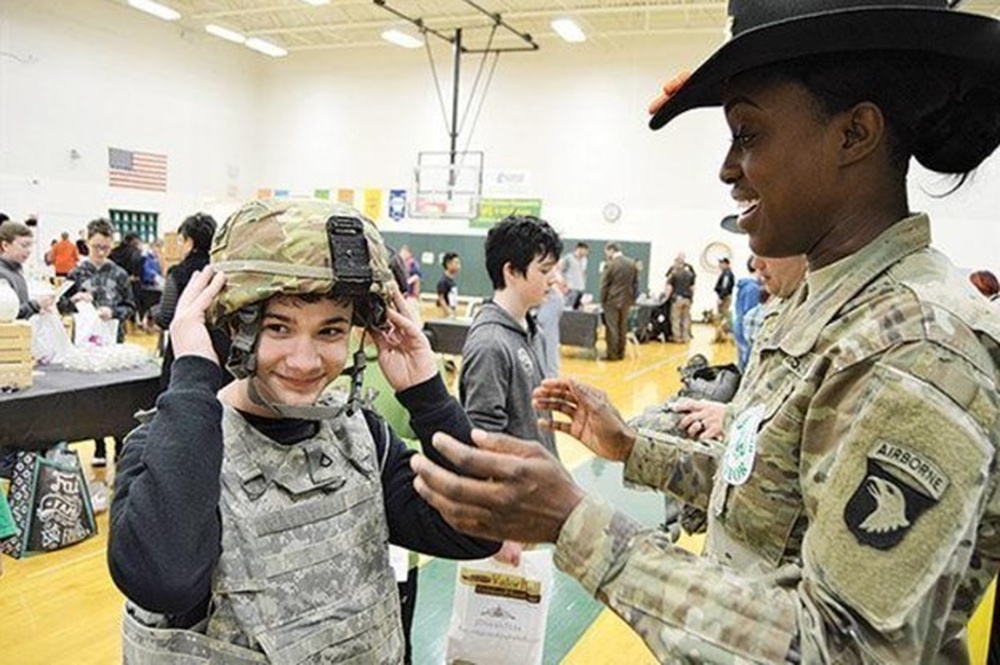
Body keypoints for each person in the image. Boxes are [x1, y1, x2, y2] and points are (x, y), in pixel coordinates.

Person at [409, 2, 1000, 661]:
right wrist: (632, 445)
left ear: (854, 133)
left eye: (747, 134)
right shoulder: (823, 308)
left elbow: (846, 648)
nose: (726, 168)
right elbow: (779, 486)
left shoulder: (916, 349)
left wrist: (574, 520)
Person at [109, 199, 499, 663]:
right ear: (234, 326)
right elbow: (164, 579)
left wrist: (427, 393)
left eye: (331, 332)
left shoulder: (360, 437)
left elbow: (480, 531)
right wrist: (192, 375)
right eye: (278, 327)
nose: (305, 360)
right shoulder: (167, 447)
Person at [459, 214, 563, 459]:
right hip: (519, 492)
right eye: (544, 270)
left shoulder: (530, 328)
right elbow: (485, 439)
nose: (554, 279)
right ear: (512, 271)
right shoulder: (490, 344)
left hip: (541, 485)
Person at [150, 213, 226, 391]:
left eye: (181, 241)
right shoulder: (222, 273)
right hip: (220, 352)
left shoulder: (178, 272)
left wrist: (152, 312)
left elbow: (166, 316)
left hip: (184, 350)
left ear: (189, 242)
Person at [0, 222, 55, 319]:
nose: (29, 250)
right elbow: (7, 315)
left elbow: (20, 308)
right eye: (24, 245)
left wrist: (37, 310)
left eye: (31, 246)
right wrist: (35, 305)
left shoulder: (16, 271)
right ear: (5, 245)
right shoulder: (2, 274)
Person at [599, 243, 637, 361]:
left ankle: (612, 354)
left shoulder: (610, 265)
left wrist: (602, 300)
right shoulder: (631, 264)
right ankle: (621, 353)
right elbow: (635, 284)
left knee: (612, 328)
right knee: (622, 327)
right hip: (626, 300)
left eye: (607, 252)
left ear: (611, 250)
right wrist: (632, 299)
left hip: (612, 300)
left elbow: (604, 285)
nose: (606, 255)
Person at [732, 255, 763, 369]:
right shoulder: (753, 288)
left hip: (739, 324)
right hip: (745, 327)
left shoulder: (745, 285)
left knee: (742, 358)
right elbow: (750, 312)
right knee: (747, 360)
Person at [663, 252, 696, 343]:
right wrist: (691, 298)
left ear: (677, 263)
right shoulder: (690, 274)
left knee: (676, 318)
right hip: (687, 299)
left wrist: (666, 298)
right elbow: (692, 288)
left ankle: (677, 337)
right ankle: (686, 337)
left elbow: (669, 287)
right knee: (686, 318)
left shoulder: (674, 274)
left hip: (677, 299)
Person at [559, 241, 589, 310]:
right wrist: (564, 285)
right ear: (579, 248)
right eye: (585, 251)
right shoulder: (568, 258)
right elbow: (560, 271)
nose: (586, 253)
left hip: (580, 289)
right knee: (568, 309)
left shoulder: (585, 260)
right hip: (571, 289)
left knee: (576, 310)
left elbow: (584, 273)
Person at [712, 257, 735, 342]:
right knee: (722, 317)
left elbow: (725, 286)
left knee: (723, 316)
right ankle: (721, 336)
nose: (720, 265)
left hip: (724, 297)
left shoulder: (727, 274)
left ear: (726, 264)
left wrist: (721, 297)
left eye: (721, 263)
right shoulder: (725, 273)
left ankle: (729, 335)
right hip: (724, 296)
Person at [435, 251, 461, 317]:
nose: (458, 266)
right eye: (456, 263)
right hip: (445, 314)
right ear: (448, 264)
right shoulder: (443, 281)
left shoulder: (451, 281)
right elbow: (441, 298)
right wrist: (448, 313)